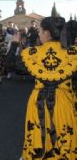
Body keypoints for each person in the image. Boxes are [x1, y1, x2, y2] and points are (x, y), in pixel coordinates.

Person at [16, 17, 77, 159]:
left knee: (38, 141)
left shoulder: (32, 54)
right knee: (64, 141)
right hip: (64, 104)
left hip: (38, 105)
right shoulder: (72, 54)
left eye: (41, 31)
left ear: (48, 33)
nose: (39, 34)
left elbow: (12, 65)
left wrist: (14, 43)